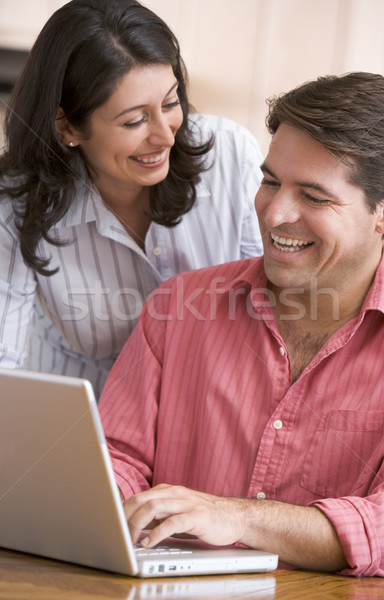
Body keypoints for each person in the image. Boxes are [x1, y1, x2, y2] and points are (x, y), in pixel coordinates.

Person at [98, 72, 384, 578]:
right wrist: (95, 496)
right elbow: (115, 459)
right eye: (271, 181)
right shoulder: (178, 306)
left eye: (315, 197)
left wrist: (237, 516)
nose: (276, 213)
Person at [0, 0, 262, 398]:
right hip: (83, 414)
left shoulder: (230, 155)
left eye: (171, 103)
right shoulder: (16, 202)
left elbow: (269, 309)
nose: (166, 135)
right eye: (134, 120)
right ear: (67, 125)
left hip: (208, 403)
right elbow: (5, 363)